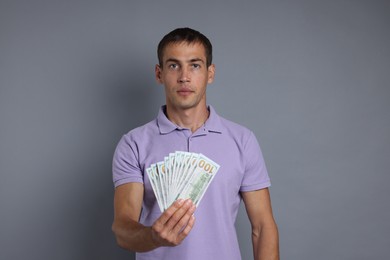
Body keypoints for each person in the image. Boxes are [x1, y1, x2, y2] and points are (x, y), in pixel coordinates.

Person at [112, 27, 279, 260]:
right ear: (159, 74)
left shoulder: (243, 140)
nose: (184, 76)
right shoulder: (134, 144)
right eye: (173, 65)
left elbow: (262, 228)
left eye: (195, 65)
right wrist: (153, 237)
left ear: (210, 73)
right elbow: (123, 228)